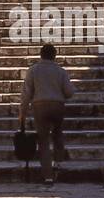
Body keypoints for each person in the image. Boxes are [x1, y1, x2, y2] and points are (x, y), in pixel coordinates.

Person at [18, 44, 74, 186]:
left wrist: (22, 114)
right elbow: (69, 92)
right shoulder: (61, 71)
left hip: (40, 106)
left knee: (43, 140)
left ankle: (48, 176)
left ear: (41, 55)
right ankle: (58, 162)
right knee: (58, 133)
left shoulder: (33, 70)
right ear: (54, 56)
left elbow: (26, 94)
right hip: (58, 105)